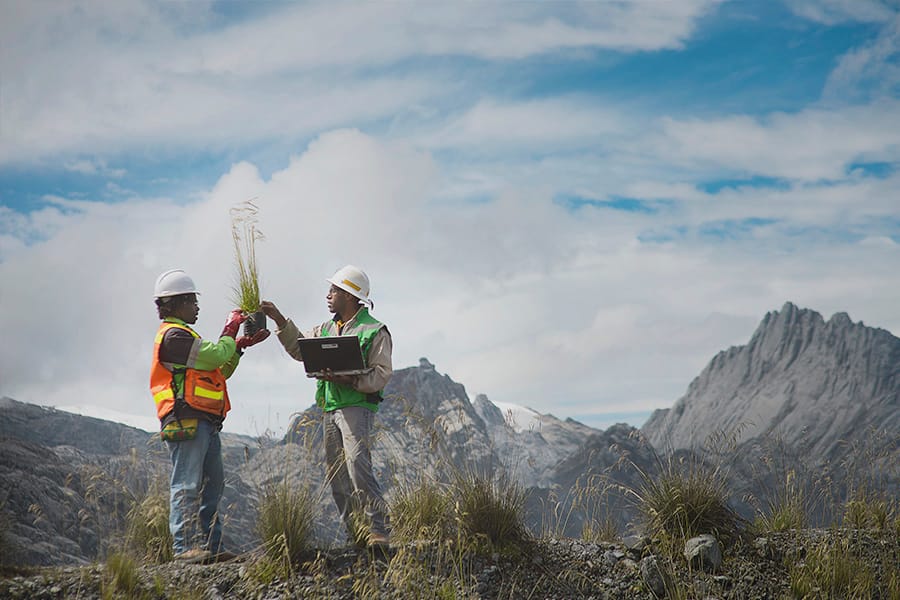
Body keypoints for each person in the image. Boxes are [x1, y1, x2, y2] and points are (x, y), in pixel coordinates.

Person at [260, 264, 392, 548]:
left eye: (334, 290)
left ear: (350, 295)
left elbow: (381, 374)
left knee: (358, 464)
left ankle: (378, 527)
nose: (328, 295)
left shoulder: (374, 330)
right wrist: (278, 319)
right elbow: (299, 349)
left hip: (357, 406)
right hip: (330, 408)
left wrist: (349, 380)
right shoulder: (326, 329)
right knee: (337, 473)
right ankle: (355, 532)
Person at [149, 269, 269, 564]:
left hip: (206, 422)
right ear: (176, 303)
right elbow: (216, 356)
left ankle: (211, 548)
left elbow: (220, 371)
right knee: (187, 484)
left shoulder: (187, 337)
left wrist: (238, 348)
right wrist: (230, 330)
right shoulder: (173, 337)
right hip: (185, 419)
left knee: (213, 486)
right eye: (192, 300)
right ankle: (184, 547)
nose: (197, 307)